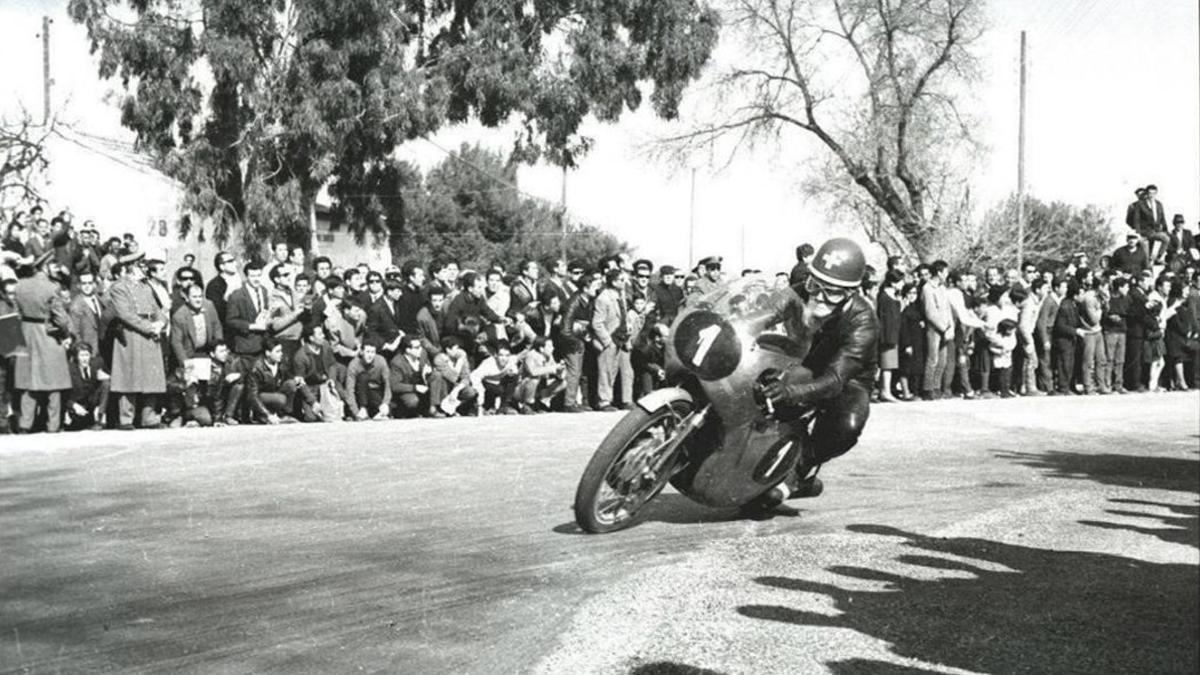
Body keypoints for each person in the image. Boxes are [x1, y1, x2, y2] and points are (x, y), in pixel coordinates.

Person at [751, 237, 879, 513]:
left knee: (849, 424)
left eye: (831, 292)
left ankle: (803, 467)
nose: (819, 297)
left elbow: (834, 379)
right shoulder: (797, 293)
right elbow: (759, 316)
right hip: (804, 361)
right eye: (814, 285)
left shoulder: (864, 321)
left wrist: (790, 392)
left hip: (846, 378)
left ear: (851, 293)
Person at [11, 252, 73, 433]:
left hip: (26, 333)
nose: (56, 268)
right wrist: (66, 333)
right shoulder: (51, 288)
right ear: (45, 267)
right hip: (47, 334)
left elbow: (16, 314)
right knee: (54, 381)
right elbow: (61, 319)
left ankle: (25, 424)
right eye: (53, 265)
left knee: (28, 381)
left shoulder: (20, 286)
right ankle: (53, 425)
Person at [108, 254, 168, 428]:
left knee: (151, 377)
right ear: (131, 267)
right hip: (132, 334)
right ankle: (126, 418)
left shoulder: (146, 286)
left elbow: (157, 309)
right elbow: (125, 314)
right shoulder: (119, 287)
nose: (145, 269)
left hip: (150, 333)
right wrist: (149, 328)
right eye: (141, 266)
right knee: (128, 376)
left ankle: (149, 417)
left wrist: (161, 324)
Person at [592, 268, 633, 411]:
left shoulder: (620, 295)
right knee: (606, 371)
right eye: (622, 280)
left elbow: (624, 317)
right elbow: (597, 323)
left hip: (622, 337)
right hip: (610, 338)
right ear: (614, 282)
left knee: (627, 371)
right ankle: (604, 401)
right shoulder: (603, 298)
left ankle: (626, 400)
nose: (624, 282)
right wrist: (607, 341)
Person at [920, 261, 953, 400]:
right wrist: (943, 328)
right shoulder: (927, 288)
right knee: (932, 359)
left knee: (943, 360)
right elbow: (930, 312)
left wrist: (951, 327)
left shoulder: (942, 288)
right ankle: (927, 388)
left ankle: (936, 386)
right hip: (934, 328)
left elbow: (947, 308)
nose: (946, 274)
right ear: (939, 272)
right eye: (945, 272)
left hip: (946, 328)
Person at [65, 341, 109, 431]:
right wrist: (73, 405)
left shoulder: (97, 363)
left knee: (106, 383)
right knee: (76, 426)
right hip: (78, 403)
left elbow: (109, 380)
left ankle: (100, 416)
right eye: (81, 355)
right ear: (76, 357)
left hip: (92, 400)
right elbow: (64, 393)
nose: (85, 359)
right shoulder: (70, 368)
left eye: (87, 355)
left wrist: (100, 408)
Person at [345, 339, 391, 420]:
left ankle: (375, 412)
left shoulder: (381, 361)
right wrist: (356, 412)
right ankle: (363, 409)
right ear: (362, 352)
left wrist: (385, 403)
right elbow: (349, 390)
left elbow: (388, 385)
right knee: (363, 377)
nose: (370, 355)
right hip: (359, 394)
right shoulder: (354, 365)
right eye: (368, 352)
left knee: (384, 411)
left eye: (373, 352)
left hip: (374, 392)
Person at [517, 336, 566, 413]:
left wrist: (560, 371)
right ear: (541, 349)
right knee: (534, 379)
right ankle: (528, 405)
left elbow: (556, 372)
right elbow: (533, 372)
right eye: (550, 346)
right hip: (521, 388)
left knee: (563, 383)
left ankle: (538, 402)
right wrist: (553, 368)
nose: (553, 348)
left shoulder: (549, 356)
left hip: (539, 386)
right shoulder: (531, 355)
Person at [389, 335, 435, 418]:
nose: (420, 350)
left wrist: (428, 371)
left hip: (423, 386)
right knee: (412, 401)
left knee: (437, 376)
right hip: (408, 390)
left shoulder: (423, 355)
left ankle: (434, 408)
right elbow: (395, 386)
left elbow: (428, 368)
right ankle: (403, 412)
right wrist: (415, 387)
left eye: (420, 346)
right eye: (417, 348)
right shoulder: (397, 362)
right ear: (408, 350)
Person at [875, 270, 903, 402]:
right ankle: (885, 391)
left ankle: (884, 390)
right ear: (893, 282)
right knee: (887, 365)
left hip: (893, 333)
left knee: (889, 364)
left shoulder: (892, 295)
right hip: (887, 335)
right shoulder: (885, 297)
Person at [68, 271, 105, 355]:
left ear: (94, 284)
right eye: (84, 283)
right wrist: (82, 352)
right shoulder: (76, 305)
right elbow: (75, 332)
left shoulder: (97, 298)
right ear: (79, 285)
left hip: (102, 347)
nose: (87, 286)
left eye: (90, 283)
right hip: (88, 349)